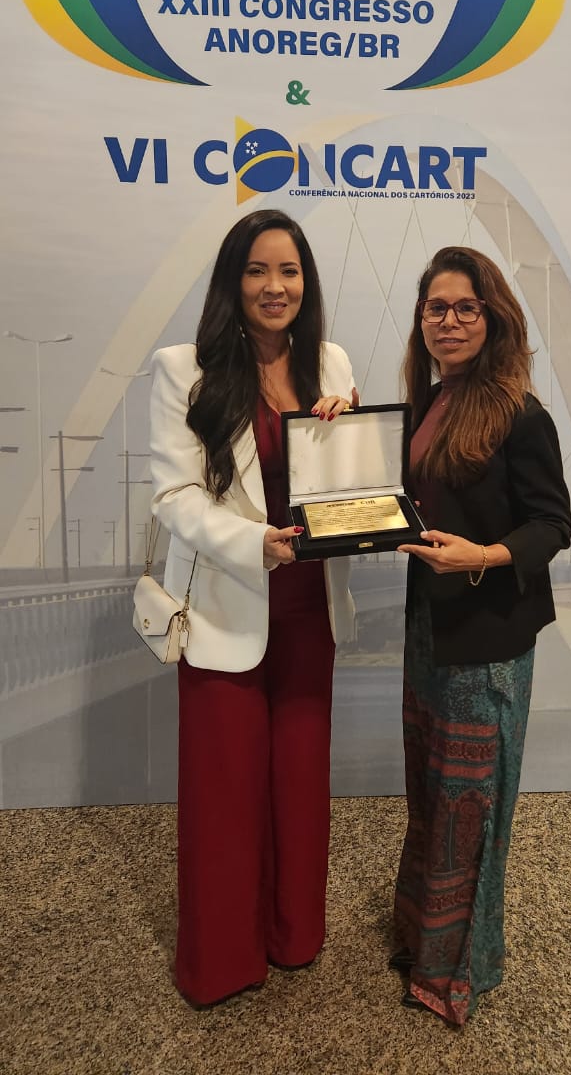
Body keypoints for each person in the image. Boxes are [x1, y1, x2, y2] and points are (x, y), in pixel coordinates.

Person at [149, 209, 357, 1007]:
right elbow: (172, 495)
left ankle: (293, 937)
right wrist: (251, 543)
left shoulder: (329, 363)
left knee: (301, 783)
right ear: (233, 281)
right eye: (258, 271)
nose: (276, 287)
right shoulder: (185, 368)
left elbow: (345, 489)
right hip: (227, 604)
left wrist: (353, 446)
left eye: (291, 271)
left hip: (310, 608)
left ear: (306, 283)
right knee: (225, 793)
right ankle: (224, 962)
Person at [391, 245, 571, 1025]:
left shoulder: (521, 413)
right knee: (434, 796)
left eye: (467, 307)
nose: (451, 321)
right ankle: (420, 943)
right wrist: (335, 426)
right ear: (422, 320)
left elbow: (552, 524)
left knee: (475, 807)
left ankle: (459, 969)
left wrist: (487, 556)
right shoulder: (427, 402)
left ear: (494, 318)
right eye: (437, 307)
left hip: (490, 638)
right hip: (432, 633)